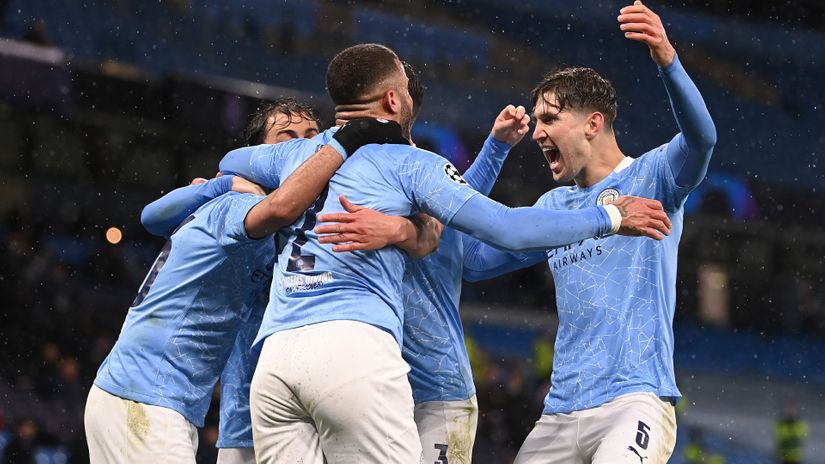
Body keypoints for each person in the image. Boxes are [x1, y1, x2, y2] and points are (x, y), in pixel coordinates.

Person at [219, 43, 672, 462]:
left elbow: (451, 232)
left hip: (289, 361)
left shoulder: (295, 160)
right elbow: (497, 226)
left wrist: (402, 225)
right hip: (359, 356)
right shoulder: (409, 166)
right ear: (395, 102)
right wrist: (610, 217)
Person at [458, 2, 716, 462]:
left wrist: (667, 60)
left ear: (593, 124)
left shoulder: (652, 177)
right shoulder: (554, 206)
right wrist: (493, 151)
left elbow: (702, 139)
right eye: (537, 119)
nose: (537, 131)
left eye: (549, 119)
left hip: (633, 400)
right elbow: (474, 264)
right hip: (559, 413)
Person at [84, 114, 407, 462]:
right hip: (146, 395)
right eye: (287, 138)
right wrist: (347, 141)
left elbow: (153, 218)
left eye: (313, 137)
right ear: (259, 156)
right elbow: (280, 207)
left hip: (159, 398)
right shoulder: (239, 207)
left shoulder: (268, 226)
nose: (306, 148)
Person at [320, 60, 531, 463]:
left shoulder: (414, 171)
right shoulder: (339, 172)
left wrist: (602, 218)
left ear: (396, 101)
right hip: (370, 386)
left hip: (436, 392)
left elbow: (459, 211)